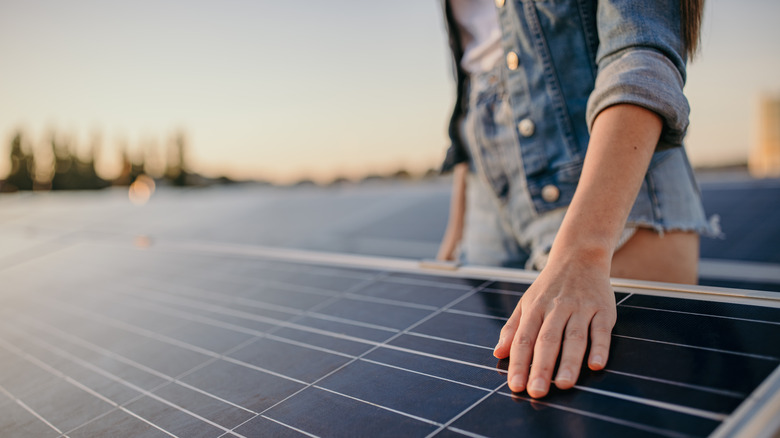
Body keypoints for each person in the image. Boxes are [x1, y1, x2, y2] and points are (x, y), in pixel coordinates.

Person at [436, 0, 718, 399]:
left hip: (603, 191)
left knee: (594, 413)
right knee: (507, 406)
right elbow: (470, 79)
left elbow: (640, 52)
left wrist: (584, 248)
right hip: (487, 201)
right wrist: (457, 228)